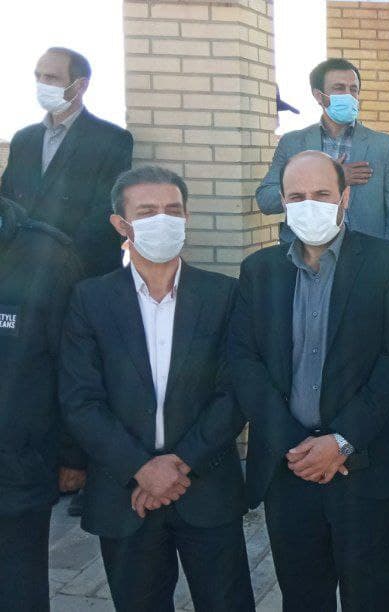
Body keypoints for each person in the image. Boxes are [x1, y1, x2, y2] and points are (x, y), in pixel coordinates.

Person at [230, 151, 389, 611]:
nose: (309, 205)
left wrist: (341, 441)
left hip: (365, 467)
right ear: (283, 202)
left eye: (321, 194)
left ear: (345, 197)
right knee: (303, 598)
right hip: (288, 469)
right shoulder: (259, 271)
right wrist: (294, 445)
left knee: (371, 600)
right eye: (297, 197)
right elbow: (244, 362)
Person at [59, 166, 254, 611]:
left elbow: (234, 393)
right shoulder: (90, 299)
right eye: (147, 212)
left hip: (206, 486)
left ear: (186, 217)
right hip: (124, 493)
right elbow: (80, 400)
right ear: (121, 224)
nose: (162, 220)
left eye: (173, 210)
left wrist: (177, 465)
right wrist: (141, 468)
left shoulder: (223, 295)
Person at [0, 195, 82, 612]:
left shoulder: (47, 256)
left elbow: (73, 367)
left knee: (18, 591)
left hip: (17, 470)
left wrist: (72, 455)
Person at [2, 47, 133, 279]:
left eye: (51, 77)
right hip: (21, 272)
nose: (42, 83)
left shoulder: (111, 139)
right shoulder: (24, 139)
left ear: (80, 85)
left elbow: (107, 210)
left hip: (80, 271)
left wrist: (57, 258)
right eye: (38, 76)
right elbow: (7, 201)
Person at [256, 58, 389, 246]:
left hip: (364, 253)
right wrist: (330, 178)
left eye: (353, 89)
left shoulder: (384, 146)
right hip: (304, 253)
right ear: (319, 96)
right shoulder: (292, 143)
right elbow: (266, 200)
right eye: (339, 88)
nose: (348, 95)